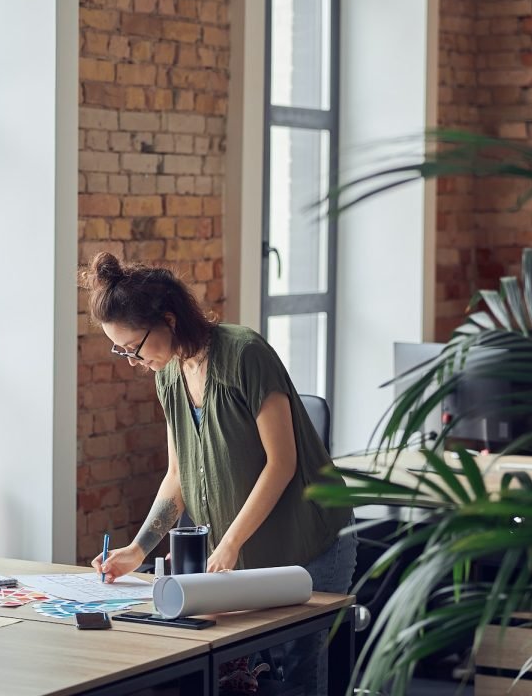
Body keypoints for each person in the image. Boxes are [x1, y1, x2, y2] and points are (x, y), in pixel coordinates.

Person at [83, 252, 356, 695]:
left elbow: (281, 462)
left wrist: (229, 542)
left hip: (311, 546)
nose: (131, 361)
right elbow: (178, 473)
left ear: (168, 319)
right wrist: (137, 549)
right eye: (121, 351)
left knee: (301, 677)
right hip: (244, 557)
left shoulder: (244, 353)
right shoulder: (168, 375)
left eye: (133, 347)